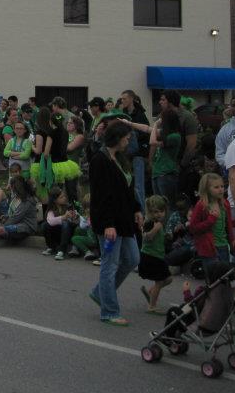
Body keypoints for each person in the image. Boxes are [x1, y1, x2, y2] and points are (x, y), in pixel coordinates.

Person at [88, 120, 142, 327]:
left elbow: (128, 188)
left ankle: (100, 292)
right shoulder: (100, 160)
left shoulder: (120, 158)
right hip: (109, 222)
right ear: (117, 138)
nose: (128, 141)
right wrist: (108, 224)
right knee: (110, 265)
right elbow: (102, 196)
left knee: (132, 259)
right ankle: (109, 311)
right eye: (126, 138)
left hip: (125, 219)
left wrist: (137, 209)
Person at [189, 172, 235, 267]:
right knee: (214, 277)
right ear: (206, 189)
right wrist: (211, 220)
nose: (221, 189)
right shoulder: (201, 206)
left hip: (223, 245)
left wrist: (232, 242)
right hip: (208, 248)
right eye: (216, 187)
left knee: (224, 275)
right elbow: (193, 228)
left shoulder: (225, 204)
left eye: (222, 186)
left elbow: (229, 225)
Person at [138, 195, 173, 314]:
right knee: (159, 280)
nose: (159, 214)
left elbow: (159, 239)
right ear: (150, 212)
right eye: (155, 212)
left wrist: (167, 236)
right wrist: (155, 230)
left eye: (161, 211)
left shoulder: (160, 223)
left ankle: (151, 292)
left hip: (158, 256)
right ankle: (152, 306)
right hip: (150, 256)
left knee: (168, 279)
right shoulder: (150, 222)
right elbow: (146, 237)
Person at [42, 186, 79, 260]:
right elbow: (51, 221)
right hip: (57, 233)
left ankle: (62, 250)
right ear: (55, 200)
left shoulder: (68, 206)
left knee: (65, 224)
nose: (64, 198)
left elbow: (76, 220)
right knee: (45, 225)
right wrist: (63, 217)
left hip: (68, 233)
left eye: (64, 196)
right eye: (61, 197)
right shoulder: (51, 209)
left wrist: (74, 216)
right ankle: (51, 247)